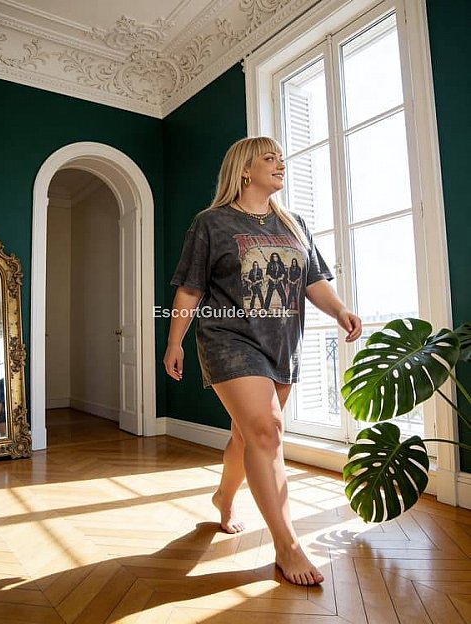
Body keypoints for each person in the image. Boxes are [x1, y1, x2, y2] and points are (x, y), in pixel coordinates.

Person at [163, 136, 362, 587]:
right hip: (227, 338)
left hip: (281, 343)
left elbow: (313, 281)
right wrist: (175, 341)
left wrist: (340, 310)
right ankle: (286, 545)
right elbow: (191, 288)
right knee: (268, 430)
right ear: (244, 170)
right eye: (269, 158)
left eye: (281, 158)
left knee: (248, 435)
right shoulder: (211, 222)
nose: (280, 164)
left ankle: (224, 496)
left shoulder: (294, 223)